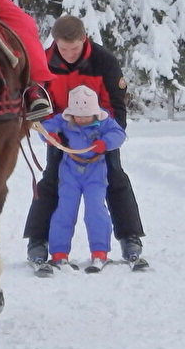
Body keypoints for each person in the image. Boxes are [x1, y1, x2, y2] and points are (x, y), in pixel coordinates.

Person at [22, 15, 147, 267]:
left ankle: (129, 236)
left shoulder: (104, 62)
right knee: (51, 180)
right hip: (60, 134)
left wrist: (106, 137)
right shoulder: (43, 63)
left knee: (115, 176)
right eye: (63, 48)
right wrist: (50, 131)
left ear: (84, 40)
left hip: (99, 133)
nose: (68, 54)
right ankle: (38, 240)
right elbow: (37, 102)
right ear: (55, 42)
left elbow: (117, 104)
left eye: (74, 48)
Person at [37, 84, 127, 273]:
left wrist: (105, 143)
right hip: (70, 172)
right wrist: (50, 136)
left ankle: (99, 252)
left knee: (96, 210)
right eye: (79, 116)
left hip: (95, 173)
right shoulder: (64, 119)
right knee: (64, 211)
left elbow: (119, 133)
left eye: (87, 116)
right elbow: (44, 127)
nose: (83, 119)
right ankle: (59, 254)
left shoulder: (104, 120)